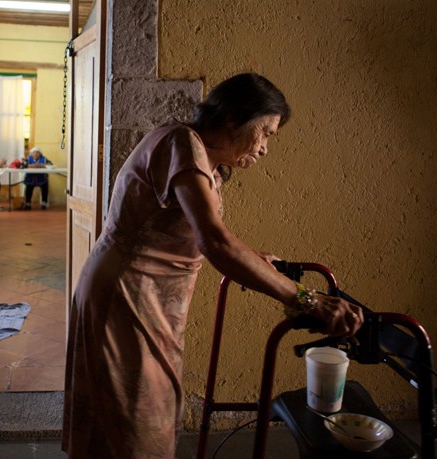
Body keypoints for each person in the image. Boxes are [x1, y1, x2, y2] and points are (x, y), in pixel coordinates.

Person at [61, 73, 364, 458]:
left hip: (146, 301)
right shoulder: (181, 143)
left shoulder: (205, 163)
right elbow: (214, 241)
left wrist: (255, 261)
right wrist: (308, 300)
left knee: (139, 419)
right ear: (233, 117)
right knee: (132, 425)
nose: (267, 147)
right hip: (125, 298)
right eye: (267, 132)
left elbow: (197, 236)